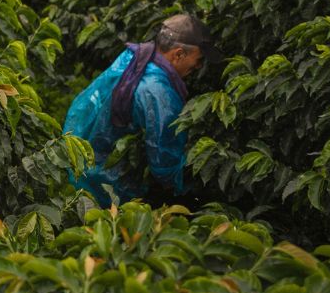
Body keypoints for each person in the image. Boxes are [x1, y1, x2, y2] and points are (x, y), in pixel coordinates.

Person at [63, 14, 222, 206]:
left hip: (78, 157)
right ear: (179, 54)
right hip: (103, 182)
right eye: (198, 60)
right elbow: (164, 162)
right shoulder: (158, 91)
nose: (198, 66)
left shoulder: (136, 57)